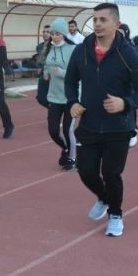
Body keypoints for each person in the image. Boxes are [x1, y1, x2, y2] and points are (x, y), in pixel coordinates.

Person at [66, 3, 138, 237]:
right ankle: (104, 198)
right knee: (86, 171)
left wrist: (125, 103)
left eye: (103, 20)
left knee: (111, 173)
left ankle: (115, 215)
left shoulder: (128, 53)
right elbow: (70, 81)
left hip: (118, 127)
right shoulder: (82, 50)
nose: (97, 24)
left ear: (116, 24)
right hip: (89, 123)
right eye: (95, 20)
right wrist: (72, 102)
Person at [42, 18, 78, 171]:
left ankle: (72, 158)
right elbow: (47, 64)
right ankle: (66, 148)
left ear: (64, 34)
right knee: (53, 130)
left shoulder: (73, 49)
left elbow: (77, 72)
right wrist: (46, 72)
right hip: (54, 96)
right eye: (52, 33)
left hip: (70, 97)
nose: (54, 36)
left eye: (57, 34)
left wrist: (62, 72)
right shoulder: (50, 48)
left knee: (67, 130)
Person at [117, 23, 138, 148]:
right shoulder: (113, 47)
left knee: (130, 107)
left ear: (126, 33)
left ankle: (134, 131)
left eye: (121, 32)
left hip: (130, 83)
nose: (119, 34)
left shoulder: (133, 48)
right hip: (116, 83)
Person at [34, 23, 51, 108]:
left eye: (48, 32)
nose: (45, 33)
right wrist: (38, 67)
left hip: (52, 75)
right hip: (42, 74)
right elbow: (39, 58)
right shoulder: (39, 46)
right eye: (44, 31)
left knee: (52, 98)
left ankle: (54, 112)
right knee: (41, 98)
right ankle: (52, 109)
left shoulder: (54, 46)